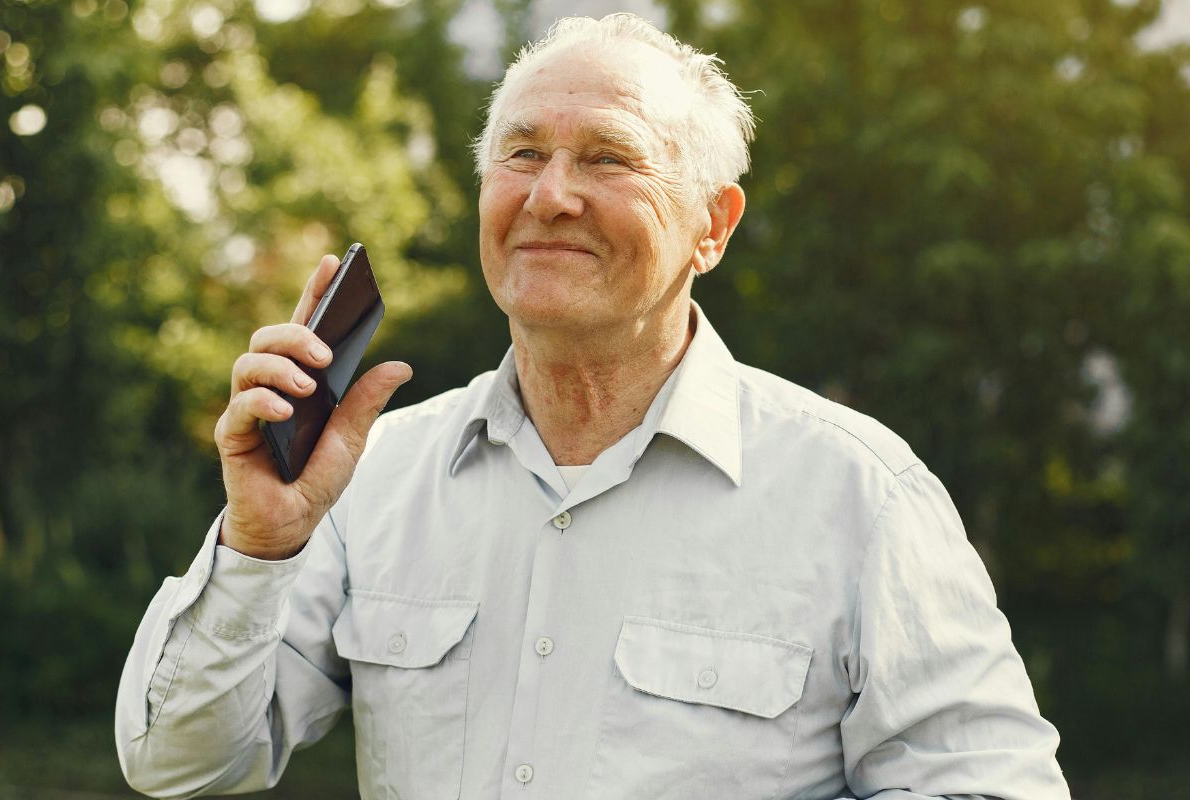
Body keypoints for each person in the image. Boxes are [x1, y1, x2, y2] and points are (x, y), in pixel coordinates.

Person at [116, 13, 1071, 800]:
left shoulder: (862, 494)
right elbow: (176, 764)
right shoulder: (370, 478)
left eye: (609, 158)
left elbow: (991, 787)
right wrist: (258, 546)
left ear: (713, 226)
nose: (551, 196)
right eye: (522, 153)